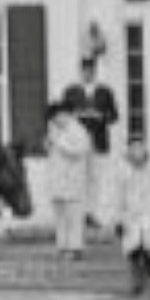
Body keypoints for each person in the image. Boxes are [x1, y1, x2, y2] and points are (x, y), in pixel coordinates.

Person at [64, 51, 122, 240]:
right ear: (80, 71)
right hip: (78, 140)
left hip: (97, 138)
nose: (88, 73)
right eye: (85, 70)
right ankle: (80, 213)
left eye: (91, 70)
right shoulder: (72, 91)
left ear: (95, 71)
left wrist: (101, 116)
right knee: (79, 176)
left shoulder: (104, 91)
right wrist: (77, 116)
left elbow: (114, 116)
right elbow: (63, 115)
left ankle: (93, 213)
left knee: (96, 177)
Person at [106, 129, 150, 292]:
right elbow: (117, 193)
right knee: (132, 246)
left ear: (145, 148)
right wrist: (116, 216)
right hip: (130, 212)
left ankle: (148, 267)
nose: (137, 151)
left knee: (146, 243)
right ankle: (138, 279)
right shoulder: (121, 169)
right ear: (128, 149)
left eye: (140, 147)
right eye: (133, 147)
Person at [36, 89, 95, 261]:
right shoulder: (56, 130)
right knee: (60, 215)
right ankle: (62, 245)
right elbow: (51, 151)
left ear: (65, 114)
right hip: (58, 178)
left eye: (57, 116)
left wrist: (59, 143)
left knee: (73, 215)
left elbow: (80, 150)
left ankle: (75, 247)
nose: (55, 120)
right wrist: (48, 144)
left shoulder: (78, 130)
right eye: (53, 118)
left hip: (73, 179)